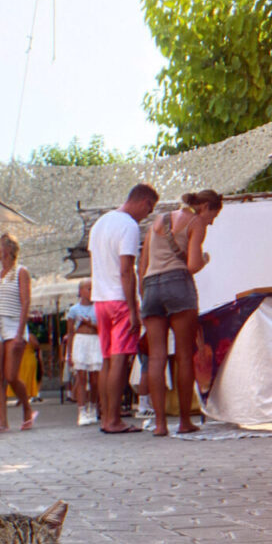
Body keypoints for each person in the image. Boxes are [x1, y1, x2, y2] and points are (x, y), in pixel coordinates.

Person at [139, 189, 223, 436]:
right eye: (213, 214)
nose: (212, 221)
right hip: (178, 286)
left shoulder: (158, 220)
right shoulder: (196, 222)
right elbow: (192, 265)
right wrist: (205, 258)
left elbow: (142, 264)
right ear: (205, 207)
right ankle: (185, 421)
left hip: (151, 286)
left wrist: (143, 293)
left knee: (156, 357)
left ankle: (159, 425)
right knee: (185, 355)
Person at [89, 183, 159, 434]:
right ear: (144, 202)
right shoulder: (128, 226)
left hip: (100, 300)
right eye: (149, 209)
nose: (147, 215)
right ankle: (114, 420)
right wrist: (134, 309)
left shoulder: (100, 223)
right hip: (119, 300)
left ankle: (107, 418)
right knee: (120, 360)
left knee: (107, 361)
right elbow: (126, 270)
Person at [0, 232, 36, 434]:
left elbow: (26, 301)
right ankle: (2, 422)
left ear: (7, 249)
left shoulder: (21, 271)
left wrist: (21, 333)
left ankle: (27, 407)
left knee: (11, 375)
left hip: (13, 324)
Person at [66, 279, 102, 426]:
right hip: (80, 341)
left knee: (95, 379)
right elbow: (70, 333)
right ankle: (81, 411)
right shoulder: (73, 310)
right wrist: (68, 354)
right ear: (80, 291)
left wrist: (89, 324)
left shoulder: (98, 308)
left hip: (94, 340)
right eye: (88, 288)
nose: (90, 291)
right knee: (81, 378)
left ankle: (93, 407)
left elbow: (102, 329)